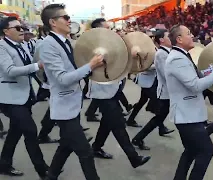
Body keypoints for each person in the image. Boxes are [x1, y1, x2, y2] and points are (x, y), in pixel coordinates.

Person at [39, 4, 103, 179]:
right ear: (53, 22)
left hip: (72, 105)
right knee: (85, 152)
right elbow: (63, 79)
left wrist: (92, 64)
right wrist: (90, 65)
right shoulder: (48, 45)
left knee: (65, 146)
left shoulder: (66, 42)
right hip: (63, 109)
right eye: (65, 18)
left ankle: (51, 175)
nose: (69, 21)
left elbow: (76, 68)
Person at [165, 24, 213, 180]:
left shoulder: (182, 55)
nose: (192, 35)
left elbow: (194, 77)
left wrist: (211, 72)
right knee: (206, 150)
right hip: (187, 116)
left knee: (191, 151)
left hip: (189, 115)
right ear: (179, 39)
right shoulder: (177, 58)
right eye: (188, 33)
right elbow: (195, 85)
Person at [88, 18, 151, 167]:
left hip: (112, 91)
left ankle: (96, 147)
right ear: (99, 30)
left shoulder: (109, 44)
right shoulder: (95, 46)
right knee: (118, 126)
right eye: (107, 28)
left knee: (107, 123)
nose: (111, 31)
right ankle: (134, 158)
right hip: (103, 92)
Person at [0, 16, 49, 178]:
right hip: (10, 99)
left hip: (25, 96)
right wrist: (37, 66)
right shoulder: (1, 47)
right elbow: (10, 70)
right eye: (18, 28)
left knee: (15, 132)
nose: (23, 31)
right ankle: (43, 170)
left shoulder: (23, 46)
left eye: (22, 27)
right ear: (6, 31)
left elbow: (32, 66)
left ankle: (4, 164)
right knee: (30, 131)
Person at [131, 29, 175, 150]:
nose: (171, 38)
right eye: (168, 36)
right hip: (158, 87)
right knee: (159, 115)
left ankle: (138, 137)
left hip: (159, 87)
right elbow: (165, 73)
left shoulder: (166, 52)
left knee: (159, 116)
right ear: (161, 39)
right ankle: (138, 138)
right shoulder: (160, 53)